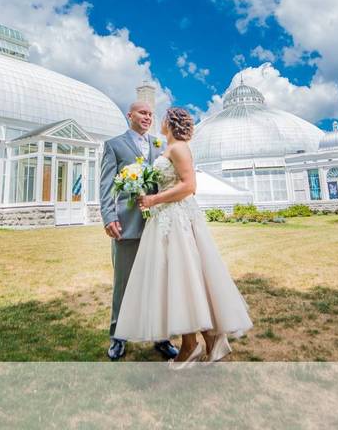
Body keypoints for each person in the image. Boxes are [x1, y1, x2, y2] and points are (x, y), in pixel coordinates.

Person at [114, 107, 253, 365]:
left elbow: (190, 186)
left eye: (163, 118)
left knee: (183, 277)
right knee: (179, 280)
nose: (159, 121)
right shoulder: (168, 147)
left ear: (171, 122)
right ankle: (209, 341)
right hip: (164, 218)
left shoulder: (178, 148)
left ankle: (192, 346)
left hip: (176, 219)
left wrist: (154, 199)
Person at [99, 101, 179, 362]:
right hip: (126, 224)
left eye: (150, 114)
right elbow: (106, 184)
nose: (147, 117)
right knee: (124, 283)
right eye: (142, 113)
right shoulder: (114, 145)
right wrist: (109, 216)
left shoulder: (159, 144)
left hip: (157, 223)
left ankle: (161, 336)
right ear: (129, 115)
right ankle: (118, 337)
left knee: (159, 281)